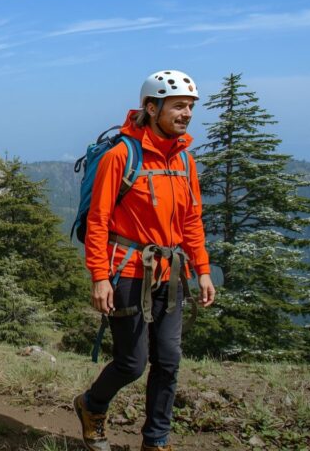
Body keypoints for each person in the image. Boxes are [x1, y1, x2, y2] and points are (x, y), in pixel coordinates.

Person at [74, 70, 216, 451]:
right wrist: (99, 277)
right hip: (127, 273)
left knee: (168, 361)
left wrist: (202, 270)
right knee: (132, 363)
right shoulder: (122, 155)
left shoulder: (184, 161)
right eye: (178, 106)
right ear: (152, 108)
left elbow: (192, 220)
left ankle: (156, 441)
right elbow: (98, 221)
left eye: (190, 107)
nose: (187, 114)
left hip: (171, 273)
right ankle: (91, 405)